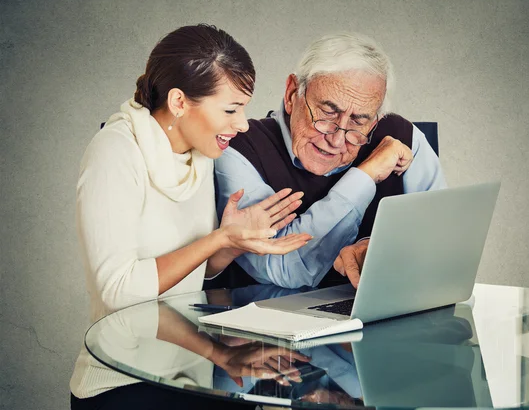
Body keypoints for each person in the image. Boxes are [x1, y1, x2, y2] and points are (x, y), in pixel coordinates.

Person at [69, 24, 311, 410]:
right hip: (122, 381)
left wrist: (229, 243)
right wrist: (215, 239)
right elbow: (118, 291)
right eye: (231, 109)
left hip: (191, 372)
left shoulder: (198, 155)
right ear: (179, 102)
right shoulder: (115, 153)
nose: (243, 124)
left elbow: (196, 274)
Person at [215, 32, 447, 289]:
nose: (336, 140)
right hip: (269, 322)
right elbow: (281, 268)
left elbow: (442, 254)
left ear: (376, 121)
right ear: (292, 94)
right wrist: (364, 177)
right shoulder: (238, 146)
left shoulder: (404, 139)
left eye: (358, 121)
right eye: (327, 113)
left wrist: (378, 250)